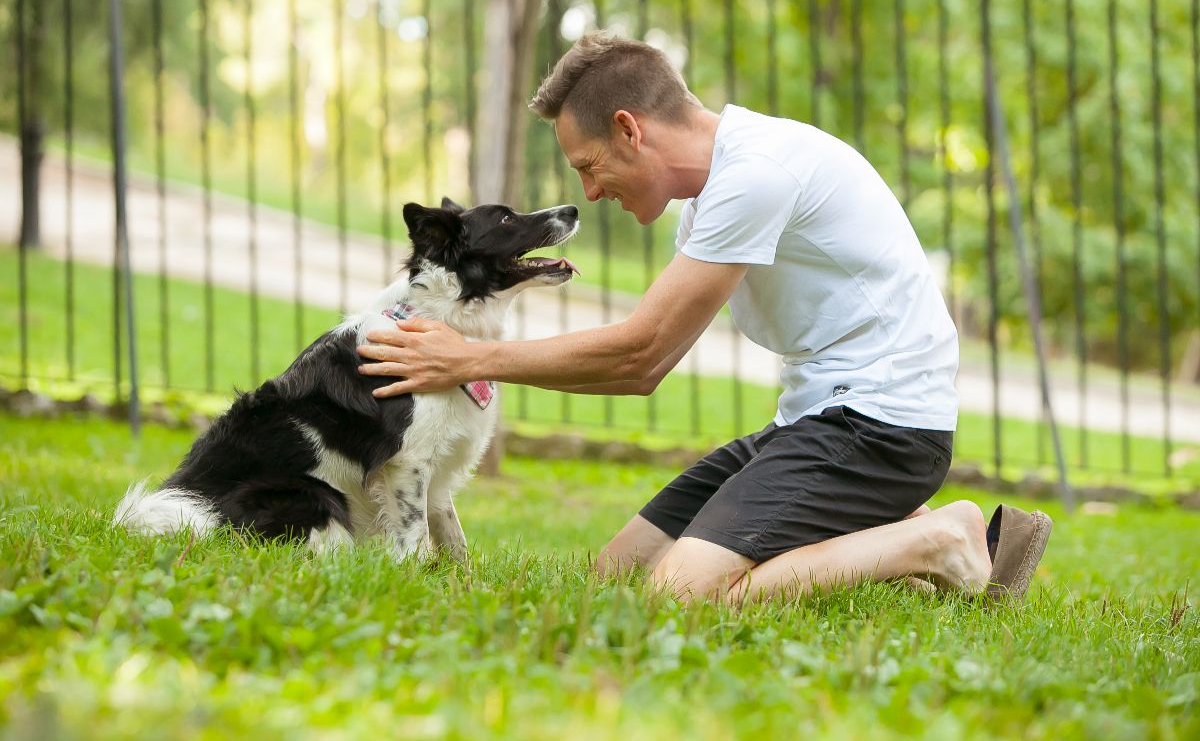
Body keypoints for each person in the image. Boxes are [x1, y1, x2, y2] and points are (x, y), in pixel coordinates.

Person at [356, 32, 1052, 605]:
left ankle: (943, 539)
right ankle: (896, 527)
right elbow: (644, 343)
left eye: (590, 166)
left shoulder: (756, 175)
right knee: (615, 577)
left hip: (880, 427)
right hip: (812, 423)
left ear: (629, 129)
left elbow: (641, 358)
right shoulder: (705, 198)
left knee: (674, 599)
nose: (591, 192)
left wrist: (469, 359)